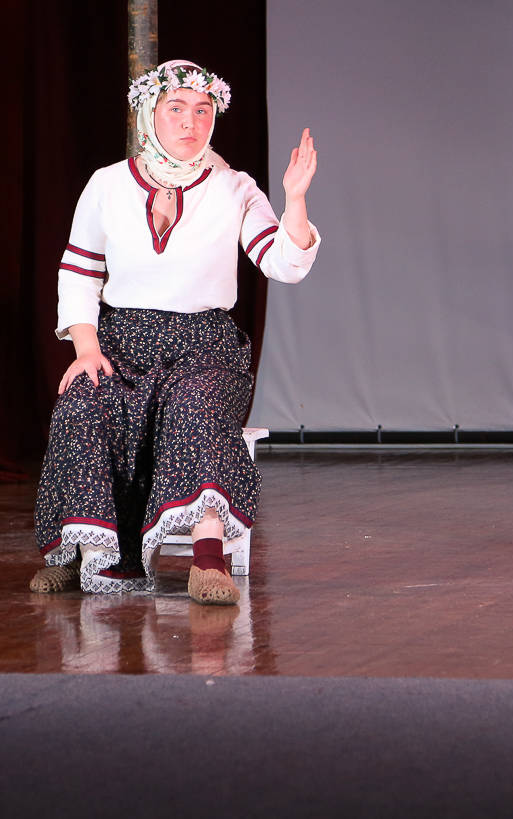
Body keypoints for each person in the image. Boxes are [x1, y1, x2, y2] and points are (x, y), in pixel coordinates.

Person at [29, 60, 319, 604]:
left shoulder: (235, 187)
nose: (191, 121)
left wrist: (296, 199)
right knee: (82, 404)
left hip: (204, 346)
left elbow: (284, 263)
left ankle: (208, 558)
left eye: (203, 110)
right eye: (177, 108)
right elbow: (80, 272)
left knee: (194, 401)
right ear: (149, 116)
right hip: (123, 341)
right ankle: (82, 551)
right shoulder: (108, 184)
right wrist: (86, 347)